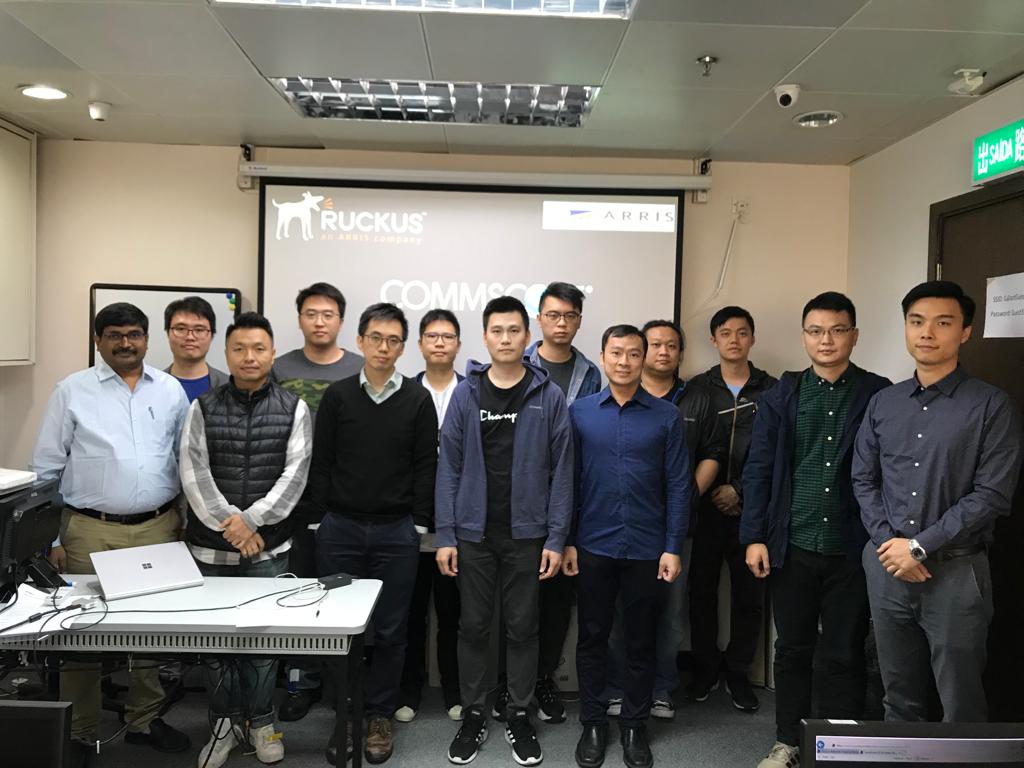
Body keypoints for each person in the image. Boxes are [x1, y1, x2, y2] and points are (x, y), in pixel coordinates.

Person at [853, 281, 1022, 724]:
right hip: (887, 567)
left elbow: (992, 494)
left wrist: (919, 547)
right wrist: (891, 546)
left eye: (943, 323)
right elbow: (864, 480)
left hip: (956, 571)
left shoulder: (991, 406)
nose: (927, 332)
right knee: (896, 694)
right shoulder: (883, 402)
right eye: (916, 322)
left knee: (961, 699)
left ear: (965, 332)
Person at [30, 302, 191, 753]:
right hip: (88, 529)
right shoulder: (71, 390)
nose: (125, 343)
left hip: (157, 527)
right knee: (80, 632)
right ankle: (79, 731)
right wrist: (52, 538)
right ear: (98, 341)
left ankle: (144, 719)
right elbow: (45, 468)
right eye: (115, 335)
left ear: (146, 339)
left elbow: (185, 460)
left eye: (134, 334)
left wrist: (183, 521)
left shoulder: (171, 390)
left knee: (151, 628)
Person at [741, 292, 891, 768]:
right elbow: (759, 469)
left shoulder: (878, 393)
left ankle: (839, 745)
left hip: (852, 547)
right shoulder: (782, 395)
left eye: (837, 330)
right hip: (793, 543)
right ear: (804, 336)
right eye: (816, 331)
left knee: (845, 651)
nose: (826, 340)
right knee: (792, 649)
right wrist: (754, 536)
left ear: (854, 335)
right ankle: (788, 741)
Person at [436, 296, 572, 767]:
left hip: (526, 535)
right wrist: (446, 534)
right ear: (485, 336)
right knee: (473, 627)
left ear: (527, 336)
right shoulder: (466, 393)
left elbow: (563, 472)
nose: (506, 339)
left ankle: (518, 713)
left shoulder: (548, 396)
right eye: (497, 330)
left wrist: (556, 538)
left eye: (514, 330)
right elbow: (449, 467)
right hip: (473, 534)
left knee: (522, 629)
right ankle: (473, 714)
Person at [180, 312, 312, 768]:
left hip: (268, 548)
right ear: (227, 353)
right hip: (210, 549)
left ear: (272, 353)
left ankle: (261, 723)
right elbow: (193, 472)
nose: (249, 357)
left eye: (258, 348)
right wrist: (230, 525)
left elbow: (295, 476)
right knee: (215, 647)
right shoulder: (203, 408)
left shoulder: (294, 408)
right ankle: (222, 725)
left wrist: (251, 521)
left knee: (261, 647)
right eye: (239, 348)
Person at [310, 302, 438, 765]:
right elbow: (322, 460)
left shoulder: (417, 399)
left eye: (393, 340)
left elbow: (426, 465)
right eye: (376, 338)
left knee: (391, 630)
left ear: (403, 348)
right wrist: (320, 520)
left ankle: (380, 715)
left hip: (396, 532)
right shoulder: (339, 396)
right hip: (340, 529)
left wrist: (418, 525)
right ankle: (346, 715)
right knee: (338, 629)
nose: (384, 347)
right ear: (360, 341)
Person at [564, 324, 690, 768]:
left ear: (644, 358)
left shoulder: (666, 416)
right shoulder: (580, 413)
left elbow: (679, 485)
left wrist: (673, 546)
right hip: (592, 544)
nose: (624, 361)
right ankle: (594, 722)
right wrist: (567, 541)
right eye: (616, 353)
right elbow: (568, 482)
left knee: (641, 640)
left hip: (647, 547)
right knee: (592, 637)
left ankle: (635, 724)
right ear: (602, 357)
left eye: (634, 353)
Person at [604, 319, 722, 721]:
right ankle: (620, 686)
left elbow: (712, 453)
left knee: (670, 613)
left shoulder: (696, 399)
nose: (663, 352)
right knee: (621, 613)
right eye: (654, 344)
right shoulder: (615, 399)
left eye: (671, 345)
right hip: (623, 526)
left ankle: (661, 688)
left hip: (676, 526)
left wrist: (685, 497)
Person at [274, 282, 364, 722]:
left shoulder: (361, 368)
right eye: (311, 313)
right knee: (301, 590)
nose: (319, 321)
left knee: (346, 592)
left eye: (328, 314)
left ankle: (344, 681)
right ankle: (302, 681)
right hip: (293, 500)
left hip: (347, 498)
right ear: (299, 319)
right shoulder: (279, 368)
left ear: (341, 321)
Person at [687, 307, 777, 712]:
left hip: (752, 509)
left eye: (742, 332)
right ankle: (705, 668)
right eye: (726, 333)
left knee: (749, 595)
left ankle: (739, 672)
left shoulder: (772, 390)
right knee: (700, 592)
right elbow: (688, 449)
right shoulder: (697, 388)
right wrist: (709, 490)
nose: (734, 340)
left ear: (752, 339)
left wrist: (738, 490)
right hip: (703, 508)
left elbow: (776, 452)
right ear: (714, 340)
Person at [519, 281, 601, 724]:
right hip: (521, 499)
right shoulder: (519, 365)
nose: (561, 323)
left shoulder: (590, 373)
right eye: (553, 315)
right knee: (517, 603)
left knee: (555, 603)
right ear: (539, 319)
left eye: (570, 316)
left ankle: (543, 679)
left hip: (570, 500)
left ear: (579, 321)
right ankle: (513, 684)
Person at [396, 309, 465, 724]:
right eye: (432, 336)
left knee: (453, 615)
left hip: (457, 525)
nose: (440, 343)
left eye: (448, 336)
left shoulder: (472, 392)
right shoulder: (404, 393)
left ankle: (454, 690)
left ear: (458, 344)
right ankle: (409, 690)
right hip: (412, 522)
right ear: (420, 344)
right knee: (411, 613)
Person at [163, 295, 228, 402]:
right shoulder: (153, 386)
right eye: (181, 329)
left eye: (199, 330)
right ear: (168, 333)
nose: (190, 337)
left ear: (211, 335)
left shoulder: (229, 387)